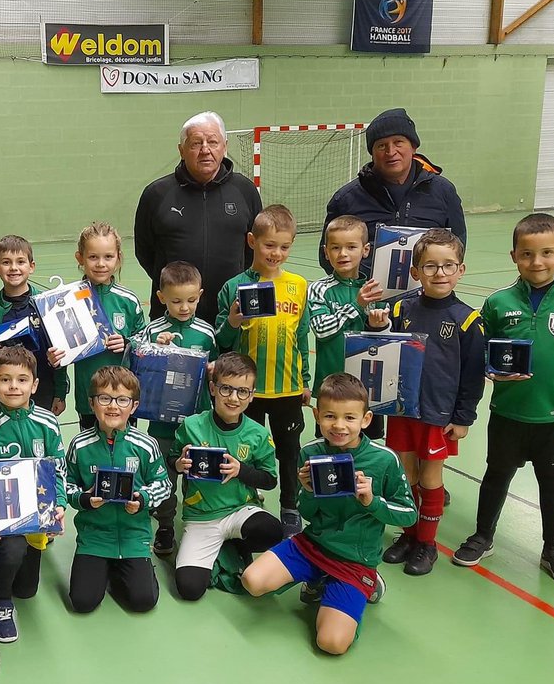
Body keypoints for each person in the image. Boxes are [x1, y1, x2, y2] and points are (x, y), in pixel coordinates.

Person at [452, 214, 554, 585]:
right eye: (527, 254)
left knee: (553, 483)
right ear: (514, 256)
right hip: (508, 413)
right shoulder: (498, 302)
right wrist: (491, 370)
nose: (537, 262)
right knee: (496, 476)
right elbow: (480, 351)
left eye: (547, 252)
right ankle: (483, 536)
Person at [241, 374, 415, 654]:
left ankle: (368, 584)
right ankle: (317, 578)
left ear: (366, 419)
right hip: (312, 545)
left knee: (331, 643)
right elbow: (305, 511)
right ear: (317, 415)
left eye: (349, 418)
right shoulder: (311, 453)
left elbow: (409, 515)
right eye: (330, 416)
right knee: (252, 581)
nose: (339, 425)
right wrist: (307, 491)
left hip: (355, 560)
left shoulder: (385, 460)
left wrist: (373, 502)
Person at [375, 229, 485, 576]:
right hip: (404, 410)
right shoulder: (398, 308)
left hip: (438, 415)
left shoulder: (468, 320)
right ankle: (407, 535)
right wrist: (377, 326)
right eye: (431, 266)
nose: (440, 273)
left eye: (448, 266)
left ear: (461, 270)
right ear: (415, 271)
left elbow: (473, 375)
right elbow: (380, 350)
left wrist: (464, 417)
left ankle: (427, 543)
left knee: (431, 478)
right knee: (405, 474)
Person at [215, 206, 311, 529]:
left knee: (288, 451)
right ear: (252, 241)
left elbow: (301, 337)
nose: (277, 253)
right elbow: (221, 341)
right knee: (248, 451)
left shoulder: (299, 285)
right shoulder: (234, 287)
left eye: (284, 246)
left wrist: (306, 379)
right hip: (246, 392)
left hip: (287, 388)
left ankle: (289, 506)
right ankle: (249, 503)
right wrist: (232, 321)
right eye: (270, 245)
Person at [0, 347, 67, 643]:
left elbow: (58, 470)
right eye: (5, 379)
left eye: (22, 380)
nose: (14, 386)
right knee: (12, 554)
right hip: (5, 514)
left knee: (27, 589)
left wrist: (59, 505)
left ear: (34, 385)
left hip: (37, 512)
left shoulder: (48, 422)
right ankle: (0, 604)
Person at [169, 353, 285, 601]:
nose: (233, 398)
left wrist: (241, 471)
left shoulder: (257, 434)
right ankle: (225, 548)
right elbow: (170, 461)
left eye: (242, 391)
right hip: (202, 516)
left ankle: (236, 542)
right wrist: (179, 464)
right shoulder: (191, 425)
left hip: (239, 510)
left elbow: (270, 480)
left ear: (252, 394)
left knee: (272, 530)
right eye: (226, 389)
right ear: (213, 388)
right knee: (189, 589)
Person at [134, 111, 263, 324]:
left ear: (225, 146)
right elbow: (146, 252)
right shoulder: (156, 194)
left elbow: (254, 250)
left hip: (231, 316)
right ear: (181, 150)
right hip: (174, 318)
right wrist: (177, 290)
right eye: (196, 143)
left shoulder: (245, 191)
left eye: (213, 142)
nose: (205, 150)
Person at [65, 366, 171, 613]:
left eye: (122, 400)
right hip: (95, 536)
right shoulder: (79, 445)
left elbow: (163, 484)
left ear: (133, 406)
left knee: (144, 601)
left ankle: (129, 569)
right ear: (92, 404)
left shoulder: (146, 445)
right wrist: (84, 498)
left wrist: (143, 499)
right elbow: (65, 483)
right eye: (105, 399)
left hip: (134, 535)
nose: (113, 406)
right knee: (82, 602)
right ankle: (105, 567)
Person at [132, 261, 218, 557]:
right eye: (176, 301)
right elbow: (138, 369)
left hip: (197, 422)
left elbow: (216, 373)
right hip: (161, 425)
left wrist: (213, 370)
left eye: (191, 300)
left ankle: (199, 525)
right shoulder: (152, 330)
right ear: (161, 298)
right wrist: (157, 350)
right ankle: (166, 524)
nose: (184, 307)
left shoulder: (207, 333)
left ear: (201, 295)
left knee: (198, 474)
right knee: (164, 477)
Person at [320, 108, 466, 278]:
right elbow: (327, 257)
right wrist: (355, 291)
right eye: (382, 146)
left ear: (413, 147)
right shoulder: (345, 199)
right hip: (364, 300)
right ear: (372, 153)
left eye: (398, 142)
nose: (391, 152)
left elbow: (457, 248)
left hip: (426, 299)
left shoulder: (444, 192)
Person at [53, 223, 145, 431]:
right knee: (91, 452)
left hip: (123, 397)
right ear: (80, 258)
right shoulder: (68, 301)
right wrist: (60, 391)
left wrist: (127, 342)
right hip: (88, 398)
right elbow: (61, 351)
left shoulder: (128, 300)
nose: (101, 264)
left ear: (118, 258)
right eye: (93, 257)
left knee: (125, 451)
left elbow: (144, 339)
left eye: (108, 257)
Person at [307, 214, 387, 442]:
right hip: (331, 389)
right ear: (326, 252)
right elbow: (321, 330)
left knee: (368, 451)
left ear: (366, 249)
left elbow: (385, 338)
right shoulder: (319, 289)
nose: (343, 254)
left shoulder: (375, 288)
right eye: (335, 248)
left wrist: (380, 325)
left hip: (368, 387)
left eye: (351, 247)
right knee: (330, 448)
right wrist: (356, 305)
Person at [0, 235, 68, 415]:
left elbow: (61, 352)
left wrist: (60, 392)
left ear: (31, 266)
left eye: (20, 262)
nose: (14, 268)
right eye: (6, 262)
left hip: (43, 387)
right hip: (7, 392)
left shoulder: (47, 304)